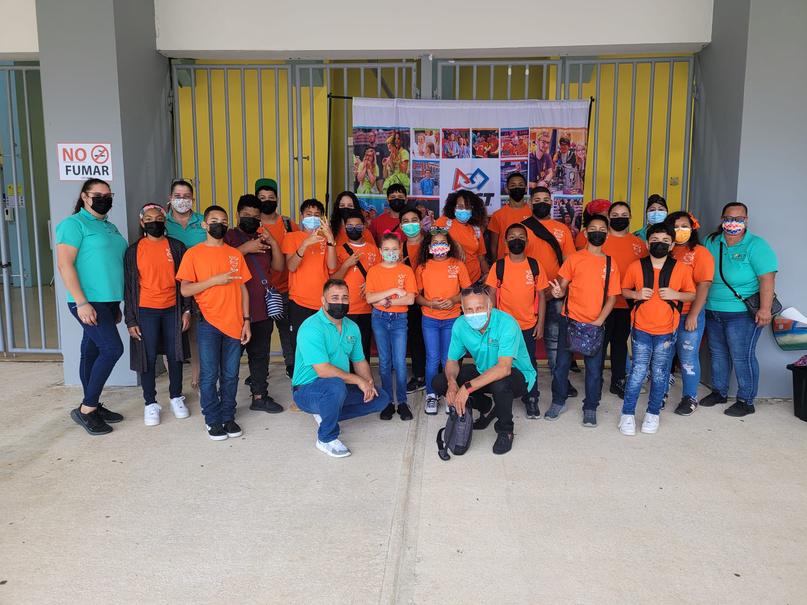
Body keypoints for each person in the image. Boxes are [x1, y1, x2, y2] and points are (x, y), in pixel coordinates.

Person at [56, 179, 128, 435]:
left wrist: (116, 304)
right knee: (112, 348)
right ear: (85, 197)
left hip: (109, 301)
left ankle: (93, 404)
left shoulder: (109, 226)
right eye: (98, 195)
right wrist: (81, 302)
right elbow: (65, 264)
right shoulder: (73, 224)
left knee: (91, 351)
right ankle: (87, 409)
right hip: (89, 301)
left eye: (108, 195)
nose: (104, 199)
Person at [432, 285, 537, 455]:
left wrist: (466, 388)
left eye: (479, 308)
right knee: (439, 382)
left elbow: (504, 368)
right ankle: (486, 406)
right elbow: (452, 360)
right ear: (462, 309)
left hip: (516, 376)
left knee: (500, 384)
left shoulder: (507, 323)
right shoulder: (460, 325)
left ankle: (505, 431)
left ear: (490, 306)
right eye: (469, 309)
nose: (474, 313)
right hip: (484, 371)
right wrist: (451, 383)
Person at [291, 279, 391, 458]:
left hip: (337, 386)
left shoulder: (352, 327)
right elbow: (323, 370)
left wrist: (368, 383)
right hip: (306, 389)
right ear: (323, 300)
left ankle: (326, 412)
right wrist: (358, 380)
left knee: (380, 398)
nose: (340, 302)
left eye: (345, 298)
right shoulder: (311, 328)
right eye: (335, 298)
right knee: (335, 386)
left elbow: (359, 361)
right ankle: (326, 438)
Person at [176, 205, 252, 441]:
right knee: (209, 375)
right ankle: (212, 419)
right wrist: (214, 281)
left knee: (231, 374)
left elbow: (243, 289)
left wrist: (246, 320)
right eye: (214, 220)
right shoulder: (193, 254)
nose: (220, 224)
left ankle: (228, 416)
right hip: (208, 322)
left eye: (224, 221)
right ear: (204, 224)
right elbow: (185, 289)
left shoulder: (235, 254)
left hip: (235, 323)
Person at [702, 202, 778, 417]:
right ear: (722, 219)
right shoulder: (711, 241)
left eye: (738, 219)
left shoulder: (756, 245)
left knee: (742, 356)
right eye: (728, 218)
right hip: (713, 309)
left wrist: (765, 309)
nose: (733, 222)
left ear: (746, 220)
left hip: (742, 314)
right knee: (718, 354)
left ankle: (746, 400)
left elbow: (767, 279)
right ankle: (719, 392)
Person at [619, 223, 696, 435]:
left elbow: (691, 294)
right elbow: (624, 290)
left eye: (664, 241)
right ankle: (627, 414)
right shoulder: (636, 266)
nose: (659, 244)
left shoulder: (681, 268)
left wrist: (676, 294)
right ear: (647, 243)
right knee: (637, 372)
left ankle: (653, 413)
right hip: (641, 328)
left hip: (666, 330)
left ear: (672, 245)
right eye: (654, 240)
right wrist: (635, 295)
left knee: (660, 373)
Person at [545, 214, 621, 426]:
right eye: (593, 229)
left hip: (595, 325)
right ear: (586, 233)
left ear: (607, 235)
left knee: (594, 371)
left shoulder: (610, 263)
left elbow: (612, 297)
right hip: (569, 321)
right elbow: (561, 288)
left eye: (602, 230)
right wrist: (558, 292)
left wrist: (599, 321)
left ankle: (590, 407)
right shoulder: (574, 258)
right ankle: (558, 401)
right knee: (561, 365)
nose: (598, 233)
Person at [124, 204, 191, 427]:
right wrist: (130, 319)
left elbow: (186, 281)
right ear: (142, 223)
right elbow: (129, 287)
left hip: (173, 309)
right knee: (148, 356)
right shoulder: (133, 251)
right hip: (145, 310)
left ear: (165, 221)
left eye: (159, 218)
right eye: (149, 219)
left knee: (175, 354)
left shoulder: (176, 247)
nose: (155, 222)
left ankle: (176, 396)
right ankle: (150, 402)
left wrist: (186, 310)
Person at [224, 194, 285, 414]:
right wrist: (245, 248)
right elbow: (220, 262)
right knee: (230, 360)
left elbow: (278, 267)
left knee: (260, 356)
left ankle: (259, 396)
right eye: (246, 214)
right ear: (237, 214)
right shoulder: (228, 237)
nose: (250, 218)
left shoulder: (263, 238)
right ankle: (226, 402)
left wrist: (273, 242)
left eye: (255, 216)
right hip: (234, 310)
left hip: (261, 308)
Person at [485, 222, 549, 416]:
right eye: (512, 237)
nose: (516, 240)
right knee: (502, 362)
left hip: (528, 325)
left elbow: (542, 296)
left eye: (521, 237)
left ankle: (531, 397)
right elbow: (491, 294)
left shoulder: (535, 266)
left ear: (527, 242)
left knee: (528, 363)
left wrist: (541, 323)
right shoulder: (499, 266)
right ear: (505, 242)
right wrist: (491, 323)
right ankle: (503, 395)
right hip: (504, 327)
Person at [521, 186, 578, 397]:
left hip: (555, 293)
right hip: (526, 294)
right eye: (537, 200)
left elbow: (569, 262)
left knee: (555, 340)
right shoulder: (521, 229)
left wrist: (559, 289)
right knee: (523, 340)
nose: (542, 203)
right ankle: (526, 381)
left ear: (552, 202)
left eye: (546, 199)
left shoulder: (562, 229)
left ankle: (560, 380)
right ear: (530, 203)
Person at [416, 228, 472, 415]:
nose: (439, 246)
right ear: (429, 247)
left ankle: (450, 392)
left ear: (449, 246)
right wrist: (429, 303)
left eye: (442, 242)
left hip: (452, 320)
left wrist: (454, 300)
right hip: (430, 319)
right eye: (435, 243)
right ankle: (431, 395)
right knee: (432, 359)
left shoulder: (458, 265)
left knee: (449, 359)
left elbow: (467, 291)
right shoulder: (423, 267)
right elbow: (416, 296)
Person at [664, 211, 714, 416]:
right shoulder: (665, 249)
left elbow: (703, 286)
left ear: (692, 228)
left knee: (688, 357)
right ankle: (661, 393)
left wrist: (693, 314)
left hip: (688, 314)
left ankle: (689, 397)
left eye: (684, 226)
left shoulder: (699, 253)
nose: (680, 230)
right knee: (663, 356)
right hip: (664, 315)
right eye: (675, 226)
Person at [365, 233, 418, 420]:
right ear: (380, 251)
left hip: (399, 319)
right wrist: (394, 290)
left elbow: (410, 299)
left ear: (400, 250)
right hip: (379, 319)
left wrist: (385, 301)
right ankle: (387, 401)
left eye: (394, 249)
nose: (390, 252)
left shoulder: (406, 271)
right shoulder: (374, 271)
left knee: (400, 362)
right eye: (386, 249)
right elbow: (370, 298)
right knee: (385, 361)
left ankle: (402, 402)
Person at [602, 201, 648, 397]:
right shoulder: (600, 239)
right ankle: (594, 381)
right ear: (608, 217)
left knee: (620, 344)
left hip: (627, 302)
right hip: (602, 302)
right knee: (599, 344)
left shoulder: (638, 244)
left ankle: (618, 381)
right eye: (615, 215)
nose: (619, 218)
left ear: (630, 217)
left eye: (624, 215)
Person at [164, 179, 206, 389]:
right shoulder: (161, 222)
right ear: (170, 198)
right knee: (170, 335)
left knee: (196, 335)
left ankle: (197, 379)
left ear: (193, 199)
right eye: (178, 196)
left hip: (198, 285)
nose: (182, 200)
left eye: (186, 197)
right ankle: (175, 385)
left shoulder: (203, 222)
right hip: (169, 285)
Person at [281, 198, 337, 354]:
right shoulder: (292, 237)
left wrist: (330, 240)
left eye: (317, 215)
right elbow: (291, 266)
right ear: (301, 216)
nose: (312, 217)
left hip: (322, 302)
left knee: (322, 345)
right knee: (300, 345)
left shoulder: (326, 239)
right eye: (309, 214)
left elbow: (332, 266)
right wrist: (305, 244)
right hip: (298, 301)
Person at [256, 178, 297, 378]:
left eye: (271, 197)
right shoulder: (252, 224)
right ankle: (258, 370)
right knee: (260, 333)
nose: (267, 201)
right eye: (262, 197)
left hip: (286, 287)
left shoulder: (288, 224)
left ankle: (291, 364)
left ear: (277, 199)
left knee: (287, 330)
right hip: (259, 289)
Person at [332, 209, 379, 360]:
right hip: (345, 308)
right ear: (344, 228)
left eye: (358, 226)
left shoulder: (374, 250)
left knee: (363, 349)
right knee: (344, 350)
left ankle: (363, 375)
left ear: (364, 227)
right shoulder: (338, 250)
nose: (354, 229)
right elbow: (332, 280)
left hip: (366, 308)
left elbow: (381, 276)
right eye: (350, 226)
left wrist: (371, 283)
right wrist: (346, 265)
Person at [434, 189, 489, 283]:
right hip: (449, 280)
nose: (464, 210)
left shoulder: (476, 229)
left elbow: (481, 258)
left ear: (473, 209)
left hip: (474, 280)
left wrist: (487, 274)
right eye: (460, 206)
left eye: (468, 207)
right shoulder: (444, 222)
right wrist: (454, 244)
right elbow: (431, 241)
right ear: (453, 207)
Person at [400, 207, 427, 393]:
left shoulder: (432, 243)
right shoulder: (399, 247)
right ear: (401, 226)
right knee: (415, 339)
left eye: (414, 220)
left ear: (421, 222)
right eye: (406, 221)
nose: (411, 224)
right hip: (409, 300)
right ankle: (419, 376)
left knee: (433, 339)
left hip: (431, 298)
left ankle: (437, 375)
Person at [488, 172, 532, 259]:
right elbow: (493, 246)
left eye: (520, 185)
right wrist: (496, 264)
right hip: (504, 263)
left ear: (526, 188)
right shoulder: (497, 215)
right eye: (513, 185)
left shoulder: (533, 213)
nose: (517, 188)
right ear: (507, 189)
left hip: (528, 262)